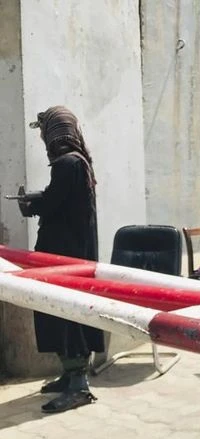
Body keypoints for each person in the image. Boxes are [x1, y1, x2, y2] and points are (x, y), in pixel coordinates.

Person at [18, 106, 103, 413]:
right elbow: (63, 201)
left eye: (44, 131)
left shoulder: (67, 164)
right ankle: (69, 376)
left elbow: (55, 203)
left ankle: (79, 386)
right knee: (60, 312)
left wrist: (33, 204)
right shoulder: (75, 163)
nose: (42, 137)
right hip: (68, 253)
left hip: (64, 256)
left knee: (65, 314)